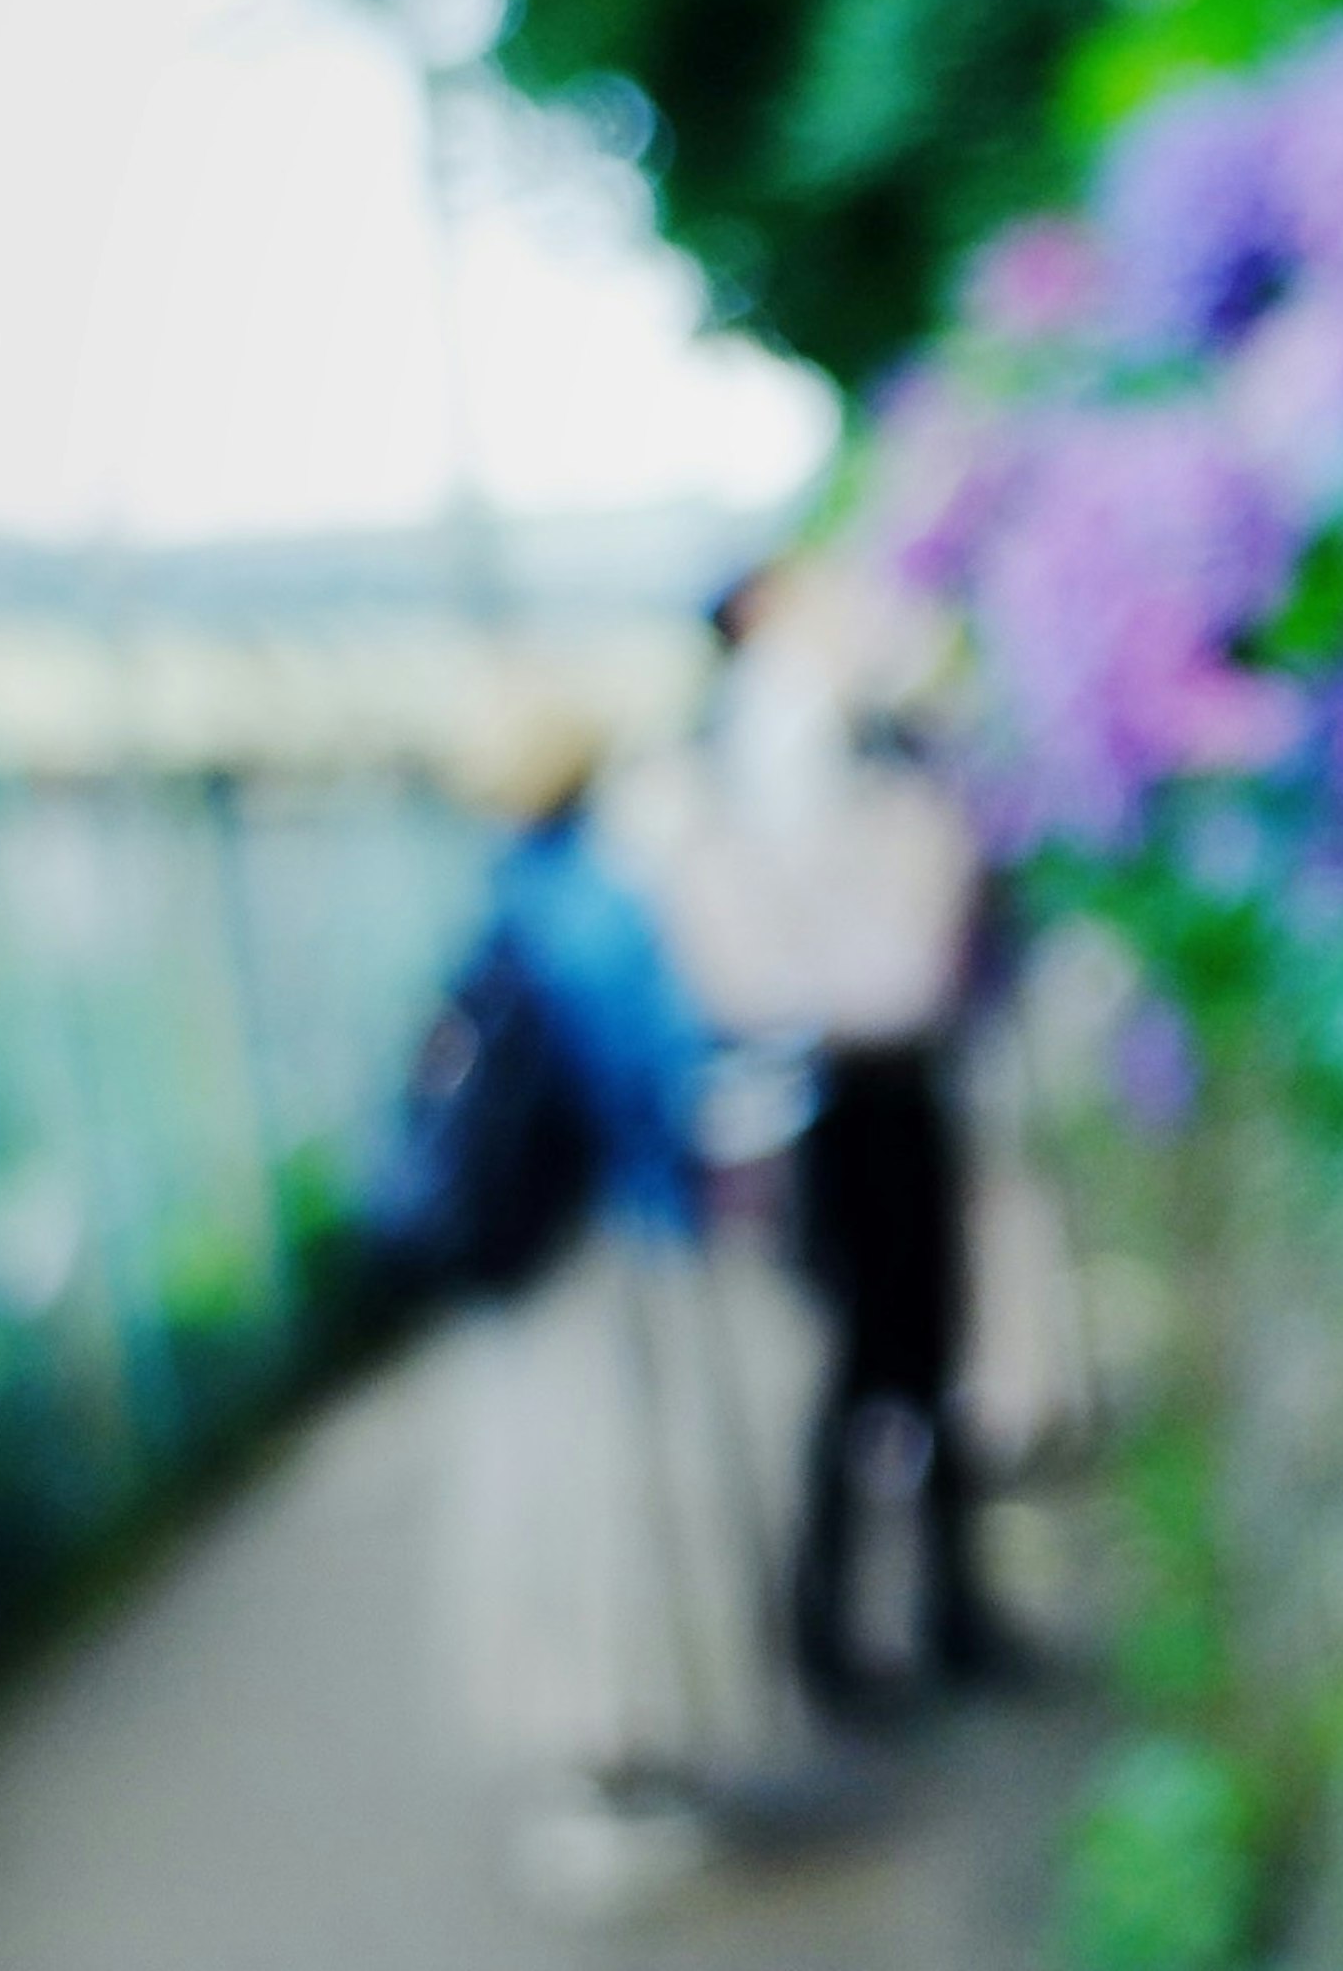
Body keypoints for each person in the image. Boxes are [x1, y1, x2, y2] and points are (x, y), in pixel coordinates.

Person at [614, 558, 1015, 1714]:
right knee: (871, 1357)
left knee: (917, 1346)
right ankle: (840, 1635)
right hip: (837, 1081)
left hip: (871, 1073)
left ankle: (921, 1614)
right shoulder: (778, 725)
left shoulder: (810, 728)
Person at [429, 702, 812, 1911]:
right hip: (616, 1252)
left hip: (526, 1277)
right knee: (638, 1503)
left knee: (549, 1506)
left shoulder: (495, 904)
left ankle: (594, 1743)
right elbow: (663, 1071)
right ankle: (631, 1735)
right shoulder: (601, 900)